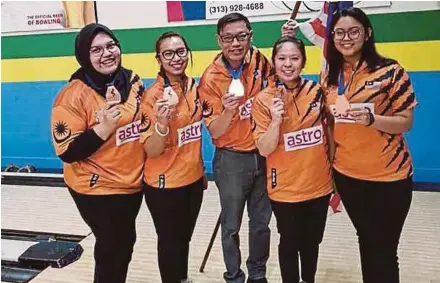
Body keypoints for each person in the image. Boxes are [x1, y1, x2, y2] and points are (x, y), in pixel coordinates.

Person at [198, 13, 295, 283]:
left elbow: (285, 77)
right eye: (228, 38)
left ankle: (257, 274)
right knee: (230, 226)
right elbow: (215, 130)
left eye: (242, 36)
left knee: (261, 224)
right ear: (219, 40)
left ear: (250, 35)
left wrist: (287, 42)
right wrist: (230, 112)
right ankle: (234, 276)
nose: (236, 43)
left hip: (264, 155)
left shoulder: (261, 62)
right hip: (231, 160)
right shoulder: (210, 78)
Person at [323, 7, 417, 283]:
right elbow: (330, 125)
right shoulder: (330, 77)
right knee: (367, 240)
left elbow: (405, 121)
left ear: (367, 33)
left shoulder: (390, 71)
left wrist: (374, 119)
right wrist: (330, 168)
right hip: (349, 177)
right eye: (339, 32)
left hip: (390, 177)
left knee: (384, 249)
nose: (346, 38)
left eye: (354, 31)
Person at [51, 23, 145, 283]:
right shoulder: (72, 95)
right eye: (96, 50)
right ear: (84, 56)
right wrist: (103, 128)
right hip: (96, 188)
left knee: (124, 244)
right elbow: (68, 151)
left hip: (131, 182)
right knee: (113, 247)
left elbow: (141, 124)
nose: (106, 53)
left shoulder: (133, 80)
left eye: (111, 45)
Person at [251, 36, 333, 283]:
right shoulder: (264, 100)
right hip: (284, 188)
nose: (288, 64)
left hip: (319, 184)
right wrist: (276, 120)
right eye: (282, 58)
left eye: (294, 58)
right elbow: (264, 149)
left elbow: (331, 132)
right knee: (289, 241)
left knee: (312, 241)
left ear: (303, 62)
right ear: (274, 62)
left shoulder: (317, 92)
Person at [139, 31, 205, 283]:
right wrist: (162, 123)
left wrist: (199, 170)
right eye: (168, 53)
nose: (176, 58)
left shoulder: (192, 86)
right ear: (159, 59)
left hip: (193, 179)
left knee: (184, 237)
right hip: (164, 184)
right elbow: (152, 150)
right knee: (170, 241)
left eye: (180, 52)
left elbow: (193, 135)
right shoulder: (152, 97)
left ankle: (182, 278)